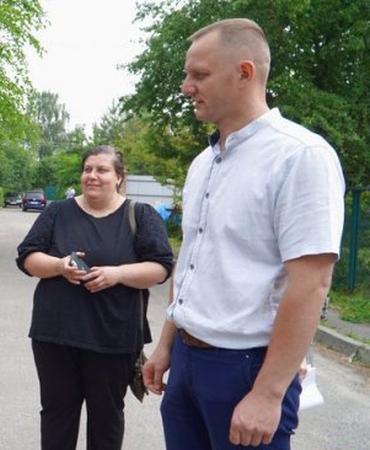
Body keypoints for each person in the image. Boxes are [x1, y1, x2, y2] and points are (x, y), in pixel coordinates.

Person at [141, 18, 345, 450]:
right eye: (186, 75)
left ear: (245, 73)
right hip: (188, 365)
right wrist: (166, 347)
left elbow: (311, 283)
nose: (185, 87)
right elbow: (193, 263)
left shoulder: (300, 156)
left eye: (199, 75)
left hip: (247, 370)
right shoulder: (204, 162)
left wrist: (269, 394)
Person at [16, 145, 174, 450]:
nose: (92, 176)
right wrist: (59, 266)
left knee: (107, 419)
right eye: (88, 169)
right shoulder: (57, 212)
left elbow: (161, 268)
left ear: (118, 177)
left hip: (113, 338)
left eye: (102, 170)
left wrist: (117, 274)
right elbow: (27, 258)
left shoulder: (139, 215)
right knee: (57, 415)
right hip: (56, 336)